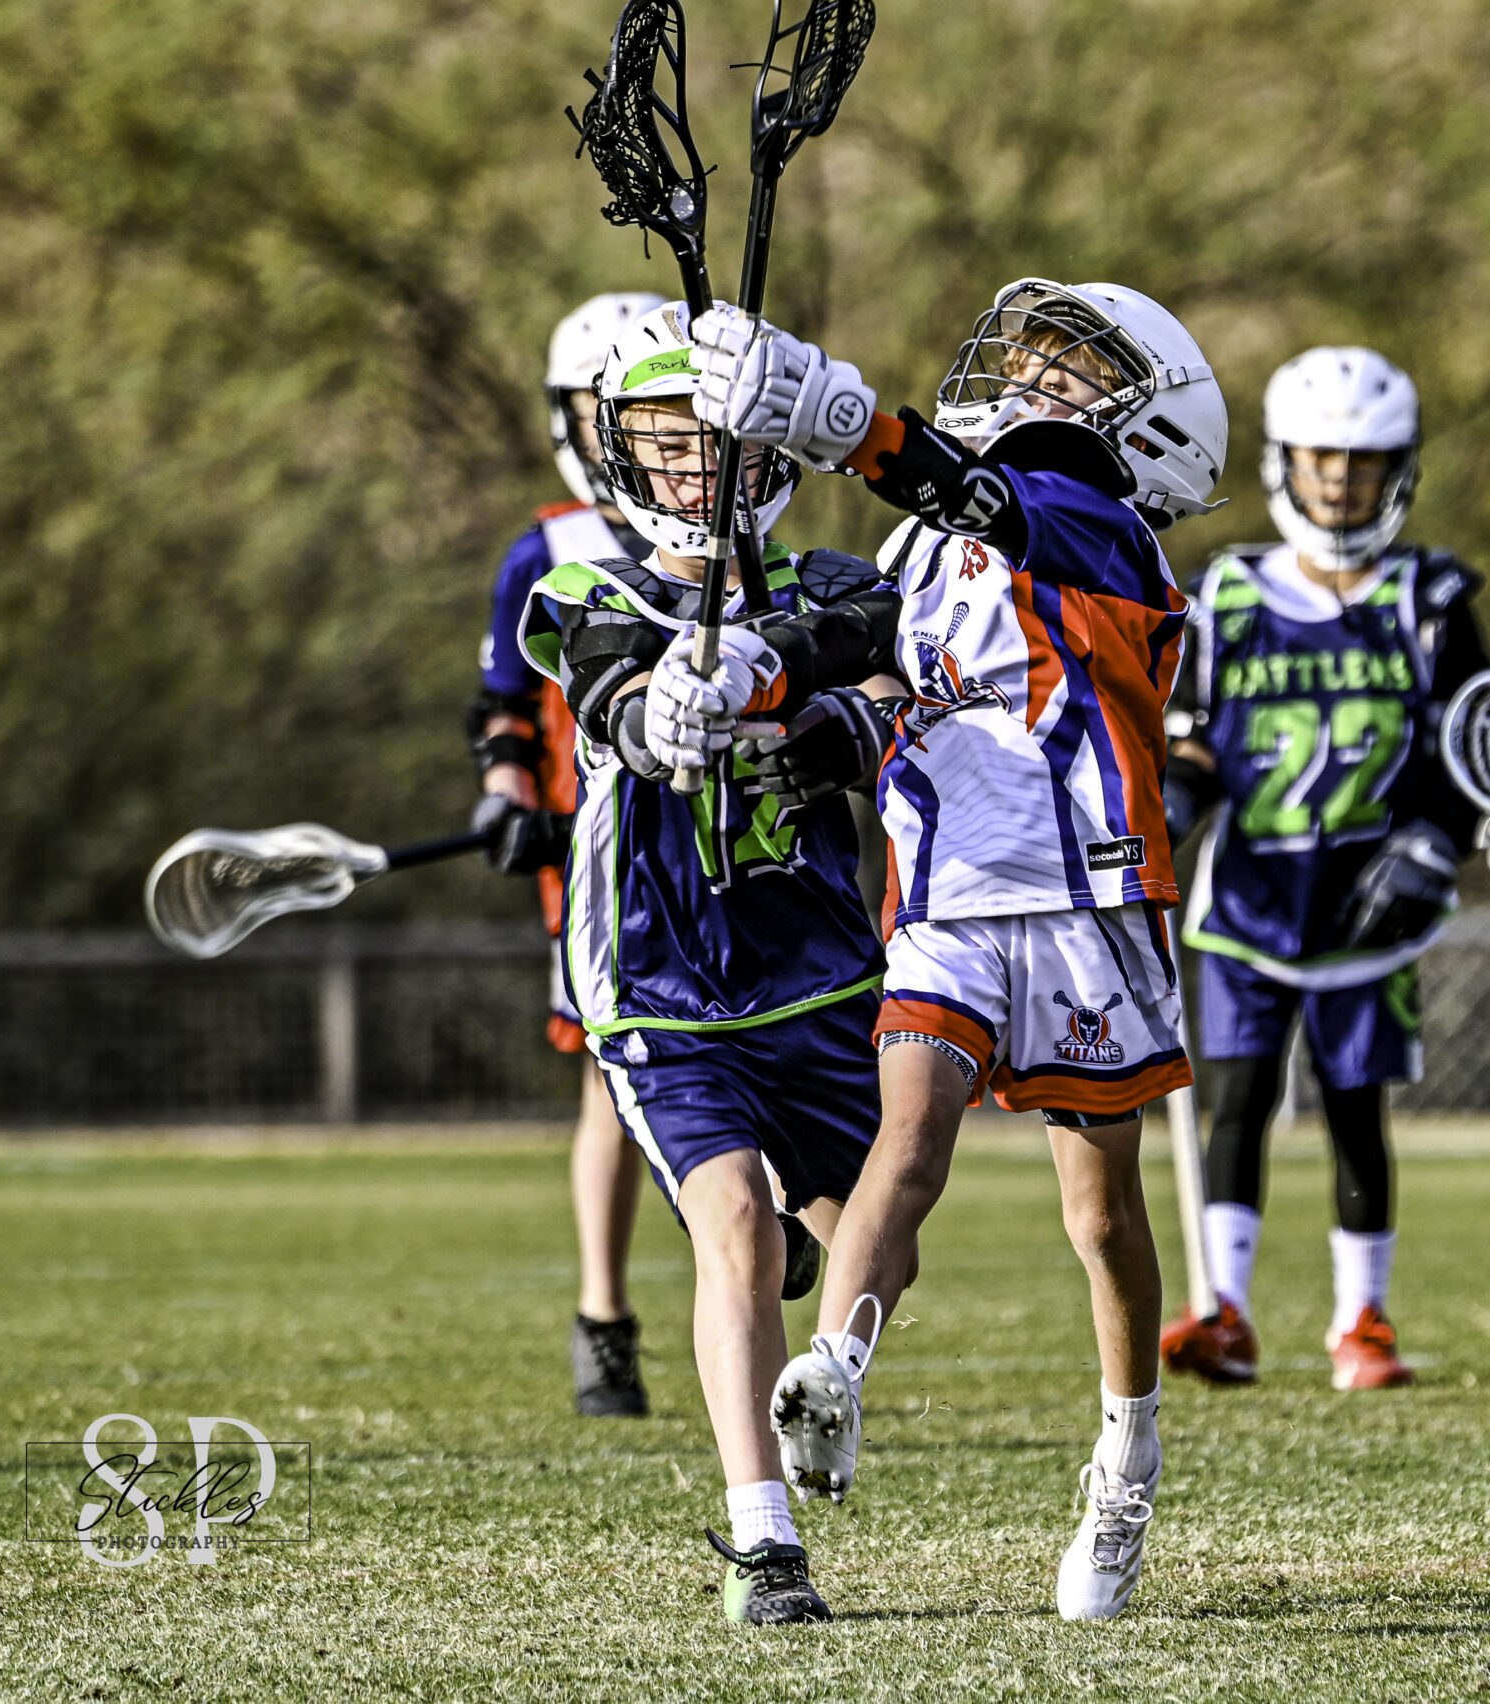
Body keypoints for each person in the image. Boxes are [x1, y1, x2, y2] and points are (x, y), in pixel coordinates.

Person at [663, 277, 1223, 1621]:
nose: (1035, 381)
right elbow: (864, 654)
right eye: (1036, 361)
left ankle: (1127, 1459)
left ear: (1150, 427)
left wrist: (848, 423)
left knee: (1100, 1217)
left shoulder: (1097, 522)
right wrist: (747, 681)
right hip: (949, 898)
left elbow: (983, 499)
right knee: (903, 1145)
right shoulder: (924, 547)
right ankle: (835, 1372)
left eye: (1073, 373)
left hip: (1085, 900)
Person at [517, 300, 893, 1625]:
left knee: (873, 1239)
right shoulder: (588, 590)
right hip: (660, 985)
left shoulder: (836, 585)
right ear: (621, 453)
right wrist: (658, 709)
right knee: (729, 1220)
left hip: (823, 975)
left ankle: (828, 1366)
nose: (689, 470)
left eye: (712, 443)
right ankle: (765, 1542)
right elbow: (607, 684)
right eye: (661, 444)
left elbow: (877, 659)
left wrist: (793, 696)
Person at [1155, 347, 1490, 1392]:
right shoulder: (1228, 596)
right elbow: (1193, 739)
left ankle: (1362, 1319)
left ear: (1398, 469)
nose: (1341, 482)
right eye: (1322, 461)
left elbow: (1480, 747)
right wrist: (1173, 801)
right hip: (1251, 901)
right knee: (1238, 1099)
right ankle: (1225, 1310)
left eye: (1362, 463)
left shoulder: (1428, 598)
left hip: (1369, 906)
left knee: (1357, 1109)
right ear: (1285, 465)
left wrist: (1437, 840)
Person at [464, 290, 664, 1419]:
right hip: (591, 864)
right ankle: (604, 1320)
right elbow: (502, 707)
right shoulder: (546, 551)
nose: (621, 430)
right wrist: (507, 797)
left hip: (730, 852)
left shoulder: (737, 543)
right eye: (601, 407)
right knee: (612, 1078)